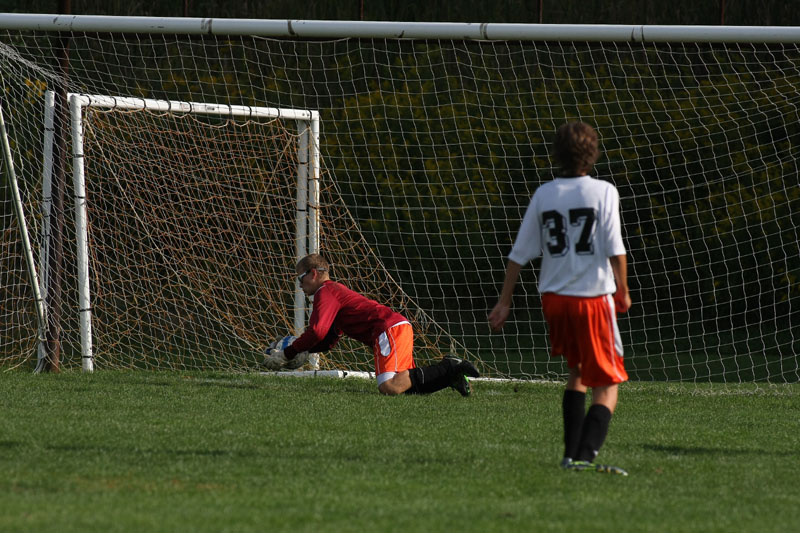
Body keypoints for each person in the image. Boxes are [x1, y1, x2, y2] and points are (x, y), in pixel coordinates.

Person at [488, 121, 632, 475]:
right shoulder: (604, 192)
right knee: (609, 384)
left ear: (558, 155)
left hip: (554, 299)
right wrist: (624, 291)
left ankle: (570, 456)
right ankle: (584, 457)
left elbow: (518, 255)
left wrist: (504, 302)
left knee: (578, 373)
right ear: (593, 154)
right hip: (592, 298)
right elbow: (616, 249)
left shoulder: (544, 194)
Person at [263, 253, 480, 396]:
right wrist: (305, 349)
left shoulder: (325, 291)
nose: (299, 284)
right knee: (408, 389)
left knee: (389, 387)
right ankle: (449, 377)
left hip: (387, 328)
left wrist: (288, 353)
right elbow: (329, 339)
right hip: (395, 327)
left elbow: (317, 331)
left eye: (300, 278)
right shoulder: (332, 293)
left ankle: (450, 365)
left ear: (313, 273)